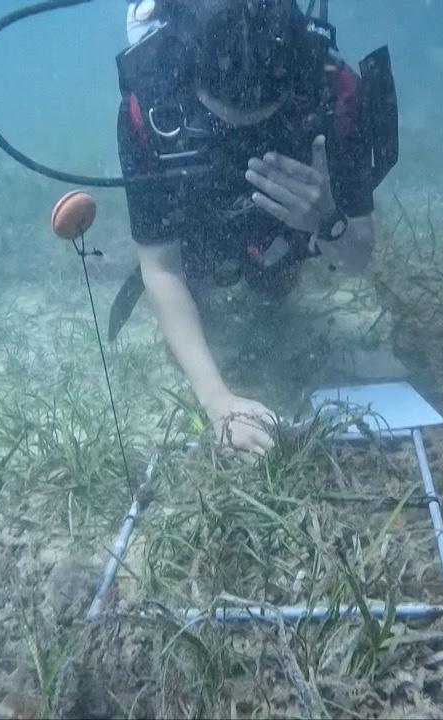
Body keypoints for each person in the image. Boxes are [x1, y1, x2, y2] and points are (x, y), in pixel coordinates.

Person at [116, 0, 384, 454]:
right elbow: (161, 269)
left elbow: (358, 257)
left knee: (277, 285)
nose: (244, 142)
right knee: (197, 292)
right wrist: (216, 399)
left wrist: (329, 222)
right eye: (222, 122)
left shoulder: (335, 94)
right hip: (200, 231)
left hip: (289, 234)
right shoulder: (148, 105)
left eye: (264, 126)